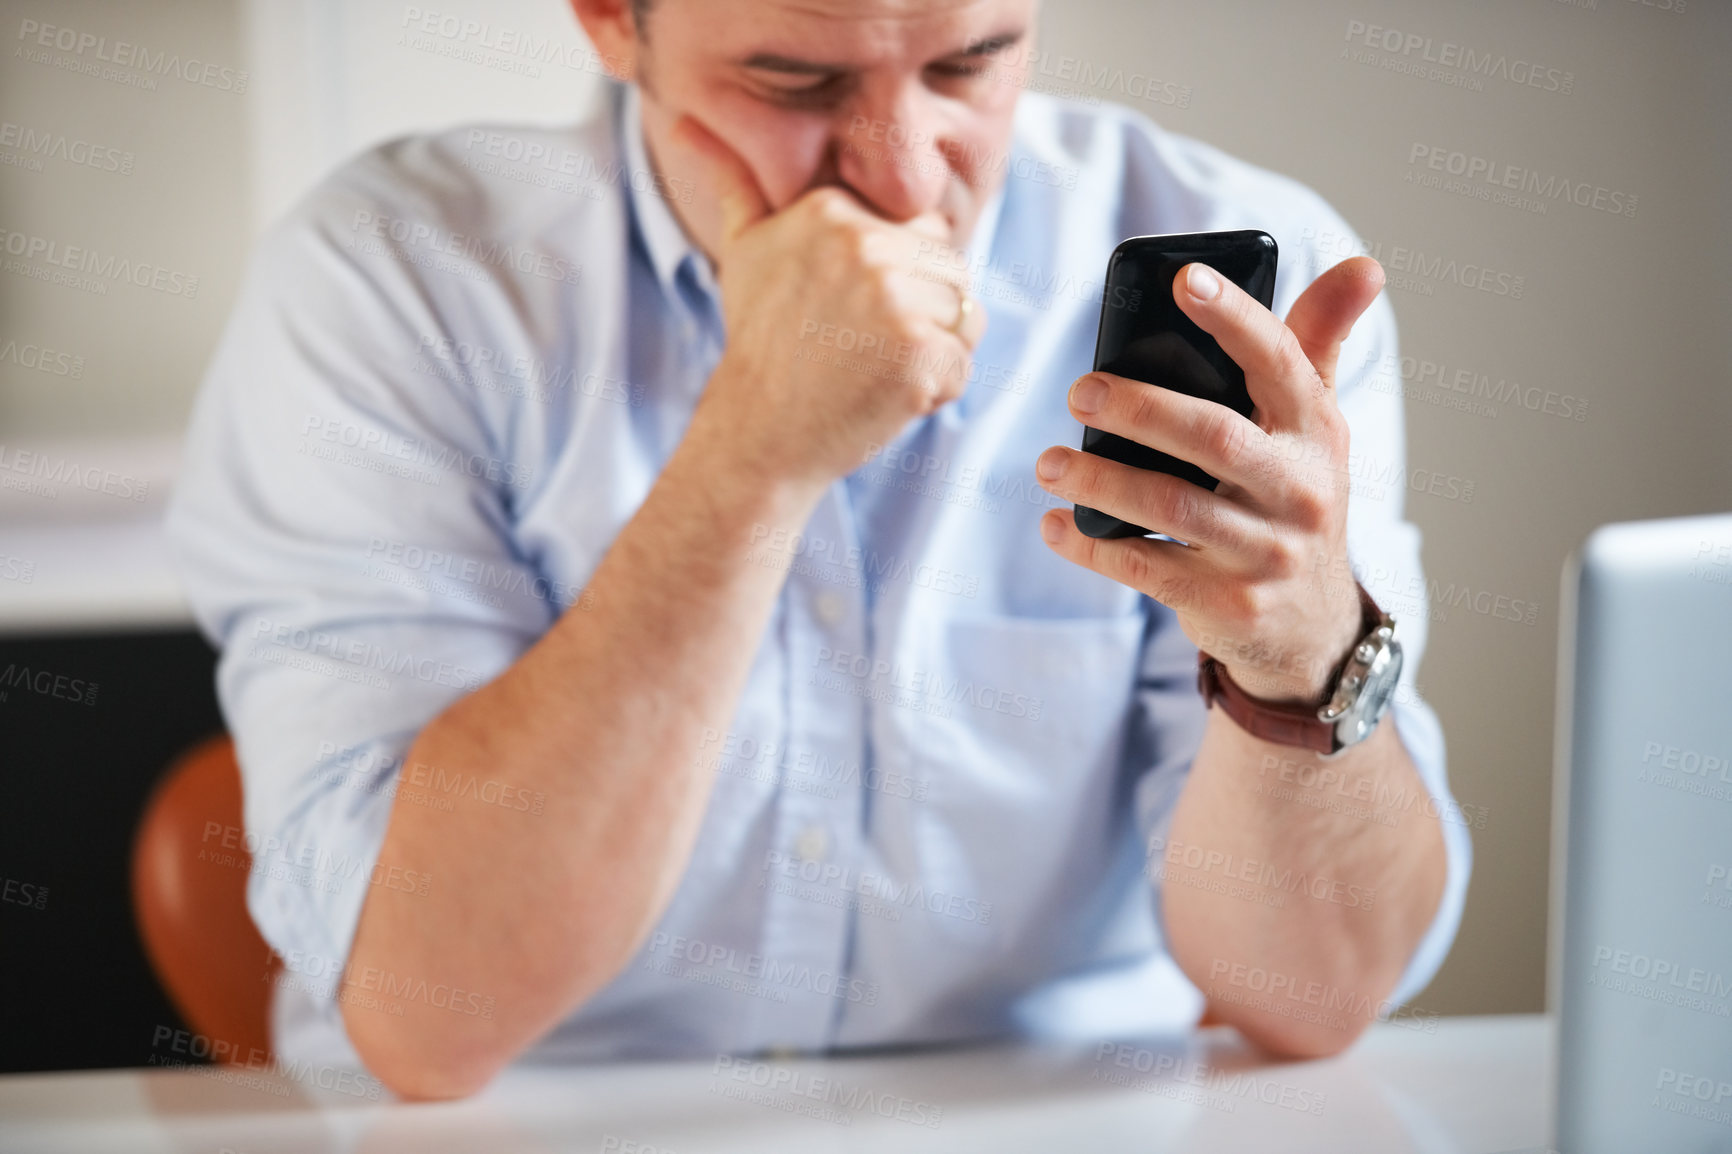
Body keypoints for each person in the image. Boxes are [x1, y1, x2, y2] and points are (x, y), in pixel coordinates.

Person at [167, 0, 1466, 1100]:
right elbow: (431, 1016)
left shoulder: (1247, 273)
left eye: (970, 64)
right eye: (795, 79)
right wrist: (754, 452)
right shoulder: (396, 279)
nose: (904, 176)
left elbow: (1319, 998)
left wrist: (1299, 654)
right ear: (613, 18)